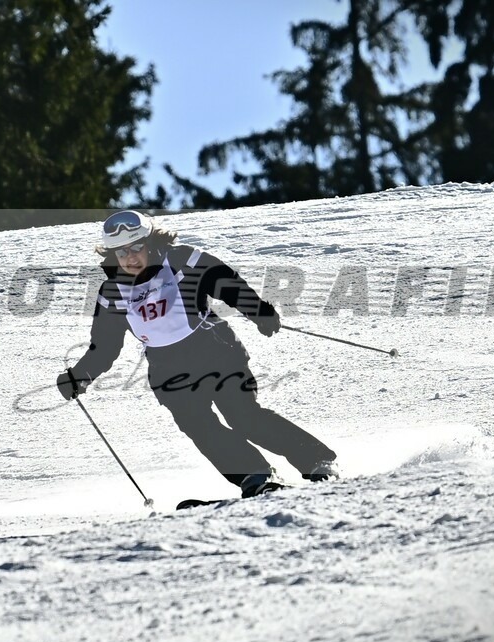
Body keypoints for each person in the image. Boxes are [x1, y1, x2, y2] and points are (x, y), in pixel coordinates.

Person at [57, 210, 339, 498]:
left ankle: (317, 461)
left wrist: (258, 311)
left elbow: (226, 282)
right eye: (121, 252)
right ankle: (255, 477)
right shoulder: (112, 293)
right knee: (200, 427)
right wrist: (80, 376)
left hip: (215, 351)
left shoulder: (180, 260)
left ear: (149, 242)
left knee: (244, 417)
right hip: (168, 369)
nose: (130, 257)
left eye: (136, 248)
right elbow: (104, 345)